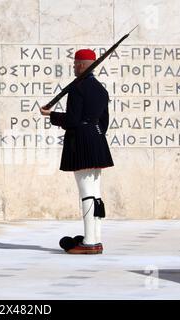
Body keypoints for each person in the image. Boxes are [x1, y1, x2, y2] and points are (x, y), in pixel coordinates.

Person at [40, 49, 114, 254]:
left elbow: (72, 121)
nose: (73, 67)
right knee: (95, 193)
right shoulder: (101, 89)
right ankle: (96, 239)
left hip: (81, 141)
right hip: (97, 139)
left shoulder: (77, 88)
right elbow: (104, 121)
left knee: (86, 193)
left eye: (75, 64)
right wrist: (94, 134)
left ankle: (89, 242)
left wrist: (51, 115)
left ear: (82, 65)